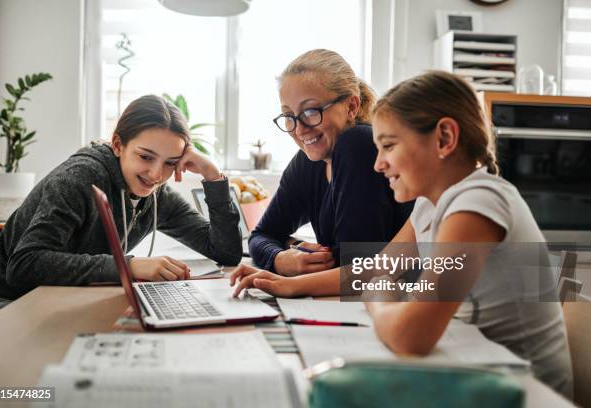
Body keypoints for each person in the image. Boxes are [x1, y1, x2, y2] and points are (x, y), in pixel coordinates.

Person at [231, 71, 573, 396]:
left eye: (389, 146)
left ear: (445, 138)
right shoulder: (431, 202)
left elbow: (410, 336)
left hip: (524, 391)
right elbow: (375, 270)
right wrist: (288, 284)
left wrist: (378, 298)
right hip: (475, 367)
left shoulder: (477, 203)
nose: (378, 164)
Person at [0, 95, 242, 319]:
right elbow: (24, 265)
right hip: (3, 302)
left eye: (171, 162)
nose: (155, 174)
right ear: (118, 145)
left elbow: (226, 252)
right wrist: (129, 266)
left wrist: (213, 176)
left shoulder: (158, 195)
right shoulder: (78, 178)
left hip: (60, 299)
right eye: (145, 156)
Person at [250, 49, 413, 276]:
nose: (299, 129)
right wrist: (280, 257)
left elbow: (356, 267)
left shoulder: (359, 144)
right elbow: (261, 235)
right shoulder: (307, 163)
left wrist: (289, 252)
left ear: (351, 107)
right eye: (288, 116)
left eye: (310, 111)